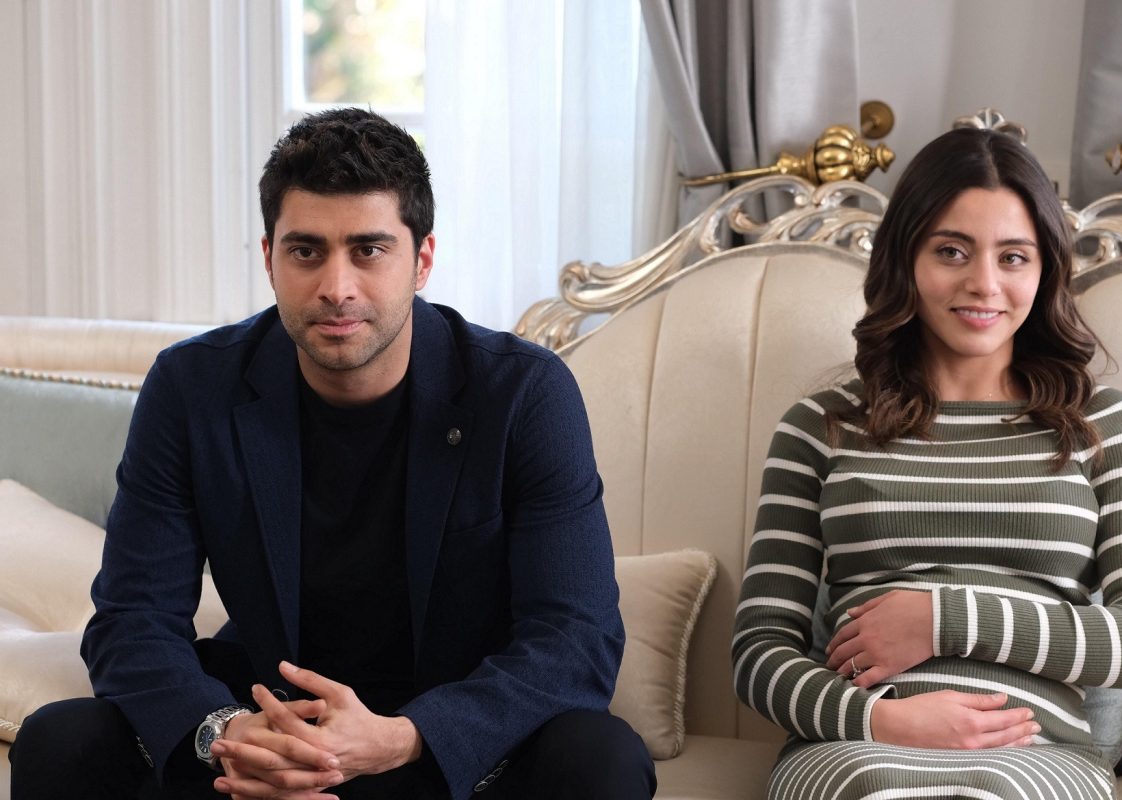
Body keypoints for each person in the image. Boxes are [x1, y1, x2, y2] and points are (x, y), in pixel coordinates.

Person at [9, 107, 655, 800]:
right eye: (306, 251)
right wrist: (227, 733)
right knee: (62, 741)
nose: (336, 287)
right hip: (265, 730)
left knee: (601, 758)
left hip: (448, 745)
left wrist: (408, 737)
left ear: (422, 261)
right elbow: (133, 621)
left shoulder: (523, 393)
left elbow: (575, 637)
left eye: (369, 250)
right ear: (270, 259)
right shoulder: (191, 387)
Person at [732, 127, 1122, 799]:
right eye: (951, 251)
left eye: (1013, 257)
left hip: (1038, 758)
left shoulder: (1106, 425)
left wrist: (943, 619)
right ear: (905, 259)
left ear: (1045, 271)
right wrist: (880, 721)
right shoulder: (821, 427)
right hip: (855, 747)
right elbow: (759, 652)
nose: (983, 284)